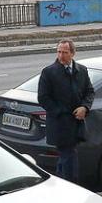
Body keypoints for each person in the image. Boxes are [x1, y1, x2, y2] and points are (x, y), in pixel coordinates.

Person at [37, 40, 95, 183]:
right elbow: (43, 98)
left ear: (72, 53)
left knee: (66, 157)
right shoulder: (49, 72)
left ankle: (59, 184)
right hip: (60, 124)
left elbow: (90, 92)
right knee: (69, 155)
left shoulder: (81, 70)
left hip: (77, 123)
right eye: (59, 52)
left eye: (64, 52)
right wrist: (61, 112)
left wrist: (85, 107)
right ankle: (71, 185)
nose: (61, 56)